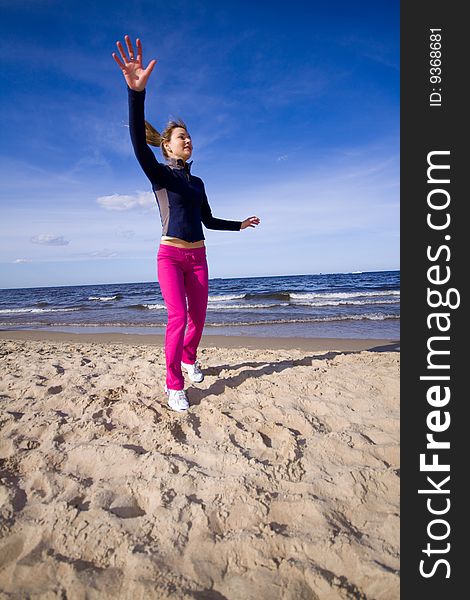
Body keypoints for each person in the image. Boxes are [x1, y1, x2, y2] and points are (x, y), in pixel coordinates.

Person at [112, 36, 260, 412]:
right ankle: (173, 384)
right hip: (170, 257)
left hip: (199, 258)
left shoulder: (197, 183)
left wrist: (238, 225)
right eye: (182, 137)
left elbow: (207, 220)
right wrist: (136, 93)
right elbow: (137, 145)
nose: (188, 140)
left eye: (190, 136)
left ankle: (190, 359)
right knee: (177, 317)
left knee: (199, 318)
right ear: (168, 145)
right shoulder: (161, 175)